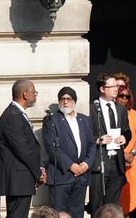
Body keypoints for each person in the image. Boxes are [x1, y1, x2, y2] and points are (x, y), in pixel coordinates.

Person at [0, 79, 46, 218]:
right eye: (34, 92)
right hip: (18, 179)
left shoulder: (17, 113)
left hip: (22, 178)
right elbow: (23, 150)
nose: (35, 95)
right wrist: (38, 172)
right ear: (25, 94)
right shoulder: (12, 116)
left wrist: (39, 169)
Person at [42, 86, 95, 218]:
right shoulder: (51, 120)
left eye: (68, 99)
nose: (65, 102)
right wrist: (71, 165)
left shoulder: (84, 119)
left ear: (74, 101)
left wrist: (86, 164)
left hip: (81, 177)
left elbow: (92, 144)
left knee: (77, 214)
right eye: (62, 99)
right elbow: (52, 147)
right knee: (59, 214)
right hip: (61, 176)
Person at [91, 74, 132, 211]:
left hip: (116, 162)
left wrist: (124, 138)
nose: (117, 89)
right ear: (102, 88)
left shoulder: (120, 108)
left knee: (113, 207)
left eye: (118, 86)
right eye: (113, 86)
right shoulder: (92, 108)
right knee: (97, 205)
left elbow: (127, 131)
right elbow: (84, 134)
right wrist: (97, 140)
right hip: (99, 162)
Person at [113, 76, 136, 217]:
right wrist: (122, 154)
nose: (123, 98)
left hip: (132, 162)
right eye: (120, 95)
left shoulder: (135, 115)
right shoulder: (110, 113)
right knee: (115, 198)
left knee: (131, 197)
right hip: (115, 160)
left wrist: (132, 154)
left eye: (126, 95)